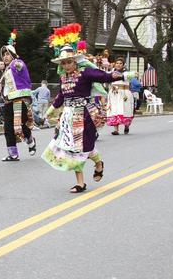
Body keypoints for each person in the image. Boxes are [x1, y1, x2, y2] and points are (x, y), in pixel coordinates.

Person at [42, 25, 120, 193]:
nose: (67, 65)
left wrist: (114, 75)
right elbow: (61, 97)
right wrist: (49, 112)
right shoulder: (63, 78)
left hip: (84, 114)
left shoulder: (85, 73)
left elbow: (102, 75)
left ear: (75, 61)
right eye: (64, 63)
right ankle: (80, 182)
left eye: (69, 62)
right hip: (68, 116)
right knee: (72, 148)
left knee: (86, 147)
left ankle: (98, 163)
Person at [0, 31, 36, 161]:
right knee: (8, 128)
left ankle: (31, 141)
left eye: (8, 54)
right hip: (8, 101)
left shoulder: (16, 64)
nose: (5, 57)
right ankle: (13, 154)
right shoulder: (6, 70)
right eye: (4, 55)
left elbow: (19, 65)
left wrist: (16, 61)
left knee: (19, 124)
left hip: (19, 100)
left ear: (13, 56)